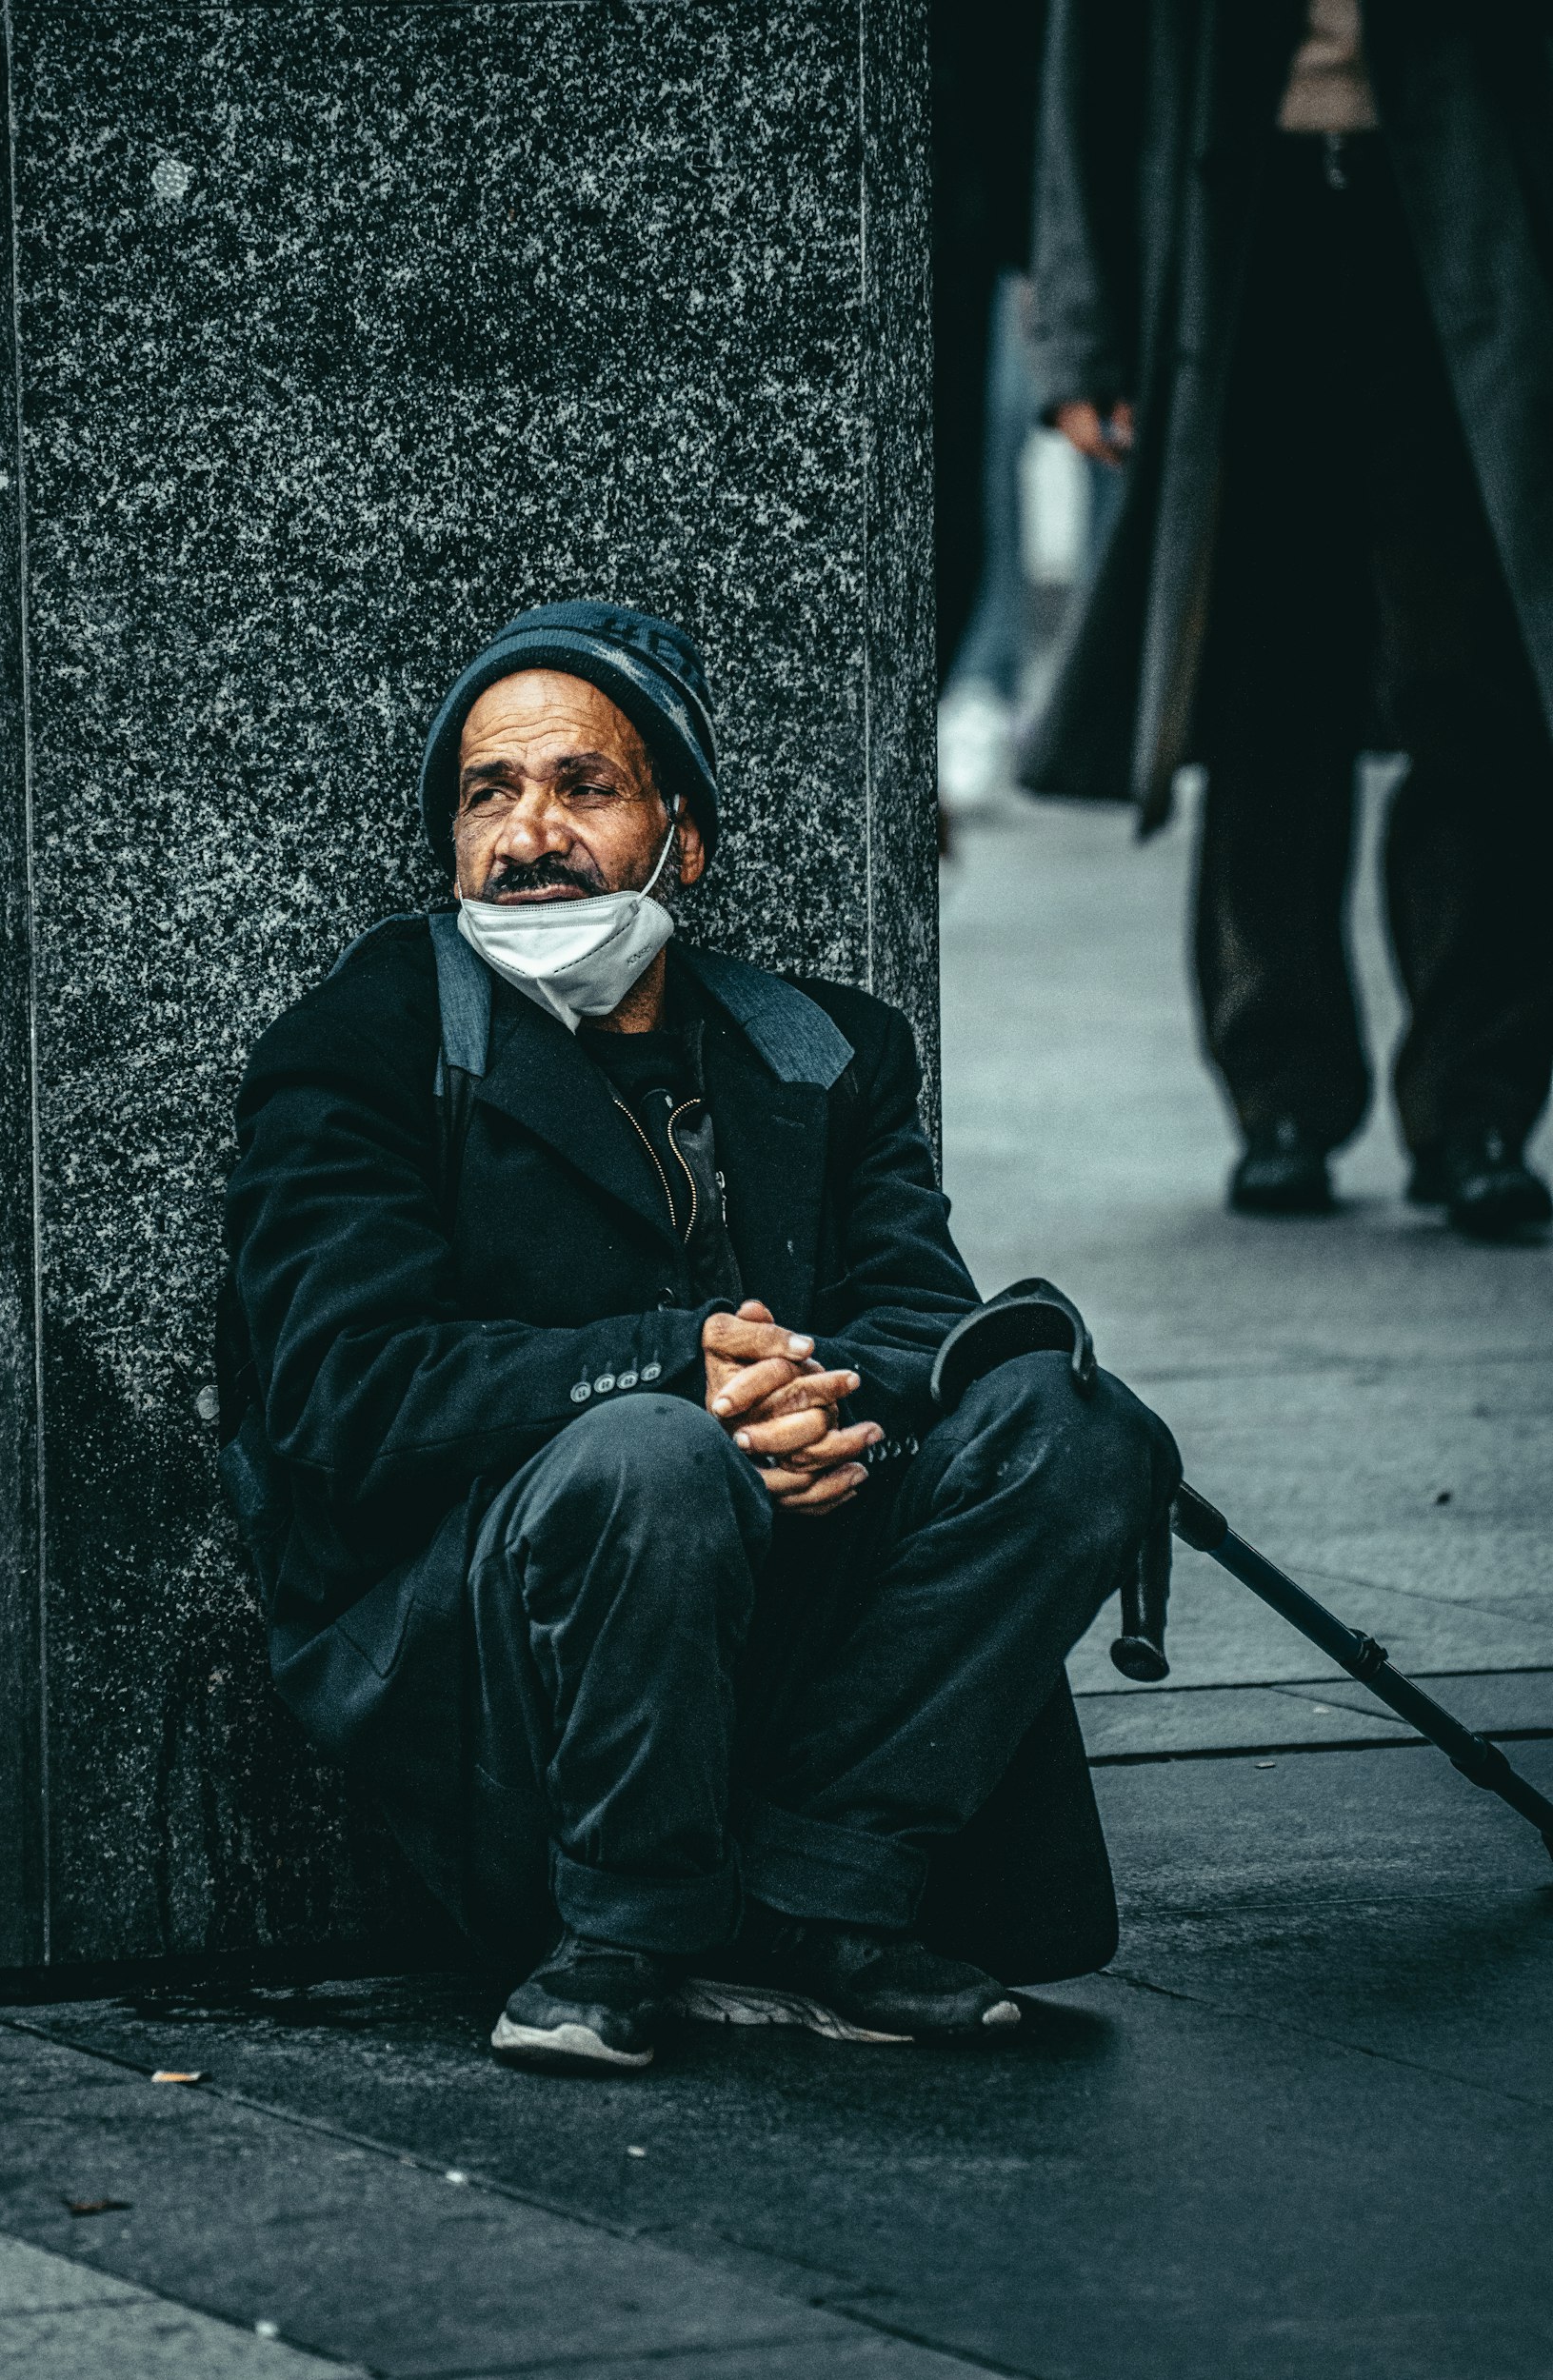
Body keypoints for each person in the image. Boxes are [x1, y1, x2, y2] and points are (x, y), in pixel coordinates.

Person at [218, 602, 1177, 2074]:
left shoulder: (822, 1047)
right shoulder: (369, 1037)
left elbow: (915, 1314)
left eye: (583, 788)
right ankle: (624, 1936)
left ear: (686, 837)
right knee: (656, 1452)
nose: (529, 833)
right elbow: (341, 1392)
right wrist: (681, 1373)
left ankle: (825, 1897)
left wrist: (812, 1401)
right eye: (489, 794)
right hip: (486, 1618)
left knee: (1078, 1427)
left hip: (800, 1560)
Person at [1023, 0, 1553, 1237]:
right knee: (1265, 689)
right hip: (1242, 247)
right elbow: (1090, 57)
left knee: (1480, 686)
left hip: (1476, 235)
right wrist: (1083, 340)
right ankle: (1284, 1095)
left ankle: (1477, 1105)